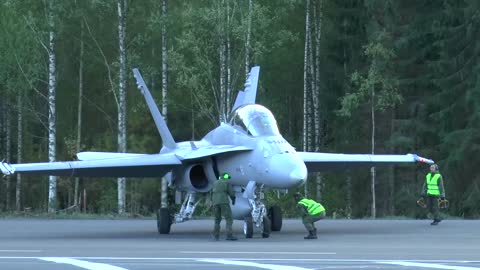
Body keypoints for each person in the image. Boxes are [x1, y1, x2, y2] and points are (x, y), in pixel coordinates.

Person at [211, 172, 237, 241]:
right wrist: (233, 199)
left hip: (215, 202)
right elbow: (231, 193)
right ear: (225, 177)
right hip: (224, 202)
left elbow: (211, 193)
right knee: (229, 218)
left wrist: (212, 202)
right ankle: (229, 235)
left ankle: (215, 236)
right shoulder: (226, 182)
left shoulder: (215, 183)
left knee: (217, 219)